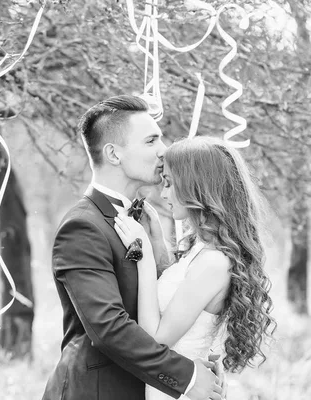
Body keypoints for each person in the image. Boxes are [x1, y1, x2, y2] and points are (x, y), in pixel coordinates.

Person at [42, 95, 223, 400]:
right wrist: (188, 377)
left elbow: (164, 303)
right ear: (113, 154)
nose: (163, 150)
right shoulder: (83, 227)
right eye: (151, 140)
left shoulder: (144, 221)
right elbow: (110, 329)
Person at [114, 136, 276, 400]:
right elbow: (177, 296)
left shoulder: (213, 262)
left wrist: (141, 253)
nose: (164, 193)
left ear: (195, 187)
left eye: (169, 182)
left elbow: (156, 340)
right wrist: (156, 242)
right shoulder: (201, 250)